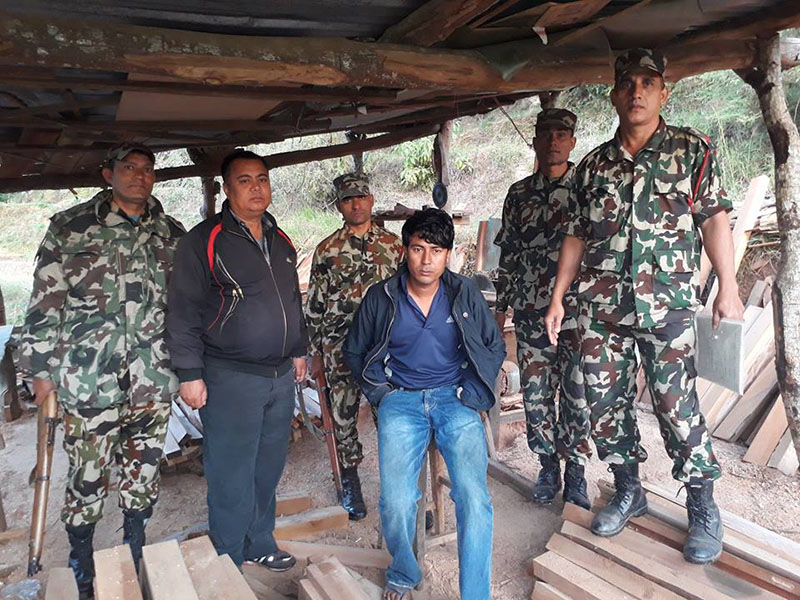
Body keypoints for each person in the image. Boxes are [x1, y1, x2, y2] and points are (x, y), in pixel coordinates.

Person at [544, 49, 744, 564]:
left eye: (647, 82)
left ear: (663, 91)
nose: (637, 92)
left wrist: (728, 284)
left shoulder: (691, 149)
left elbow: (714, 218)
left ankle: (702, 505)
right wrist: (558, 295)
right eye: (627, 83)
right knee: (605, 406)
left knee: (676, 407)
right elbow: (575, 235)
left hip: (668, 308)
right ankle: (628, 489)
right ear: (613, 93)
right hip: (601, 308)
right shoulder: (592, 166)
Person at [17, 143, 185, 596]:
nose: (139, 176)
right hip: (88, 380)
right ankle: (82, 566)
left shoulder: (171, 232)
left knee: (144, 473)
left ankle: (133, 552)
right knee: (86, 477)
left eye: (147, 169)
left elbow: (186, 306)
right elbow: (44, 305)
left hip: (154, 376)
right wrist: (38, 368)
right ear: (107, 173)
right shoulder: (71, 229)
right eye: (129, 167)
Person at [344, 208, 505, 600]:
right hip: (402, 400)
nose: (426, 260)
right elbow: (354, 351)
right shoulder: (382, 296)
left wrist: (472, 390)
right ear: (405, 250)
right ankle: (404, 570)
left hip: (455, 399)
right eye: (418, 249)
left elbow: (493, 346)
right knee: (397, 501)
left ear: (448, 254)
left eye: (436, 250)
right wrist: (383, 394)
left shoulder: (464, 292)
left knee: (473, 497)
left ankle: (475, 595)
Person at [165, 149, 308, 571]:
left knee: (268, 465)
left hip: (280, 375)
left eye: (262, 179)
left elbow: (292, 301)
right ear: (227, 189)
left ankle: (259, 541)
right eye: (244, 180)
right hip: (230, 376)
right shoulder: (203, 240)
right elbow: (183, 311)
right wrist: (190, 374)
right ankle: (227, 555)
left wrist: (298, 348)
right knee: (231, 469)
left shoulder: (280, 240)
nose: (256, 187)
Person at [493, 108, 592, 509]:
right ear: (534, 141)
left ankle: (578, 471)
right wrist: (500, 310)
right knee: (536, 394)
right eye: (546, 133)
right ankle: (548, 466)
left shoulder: (587, 189)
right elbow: (509, 256)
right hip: (532, 312)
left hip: (578, 312)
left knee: (578, 392)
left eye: (561, 133)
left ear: (572, 140)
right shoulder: (519, 194)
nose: (553, 140)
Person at [306, 173, 403, 520]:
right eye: (348, 200)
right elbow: (315, 306)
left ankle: (400, 488)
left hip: (384, 348)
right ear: (339, 206)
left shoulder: (394, 245)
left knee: (391, 416)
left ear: (372, 199)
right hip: (339, 346)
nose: (356, 204)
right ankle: (351, 484)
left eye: (361, 197)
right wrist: (314, 353)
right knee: (343, 416)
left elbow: (408, 296)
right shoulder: (327, 250)